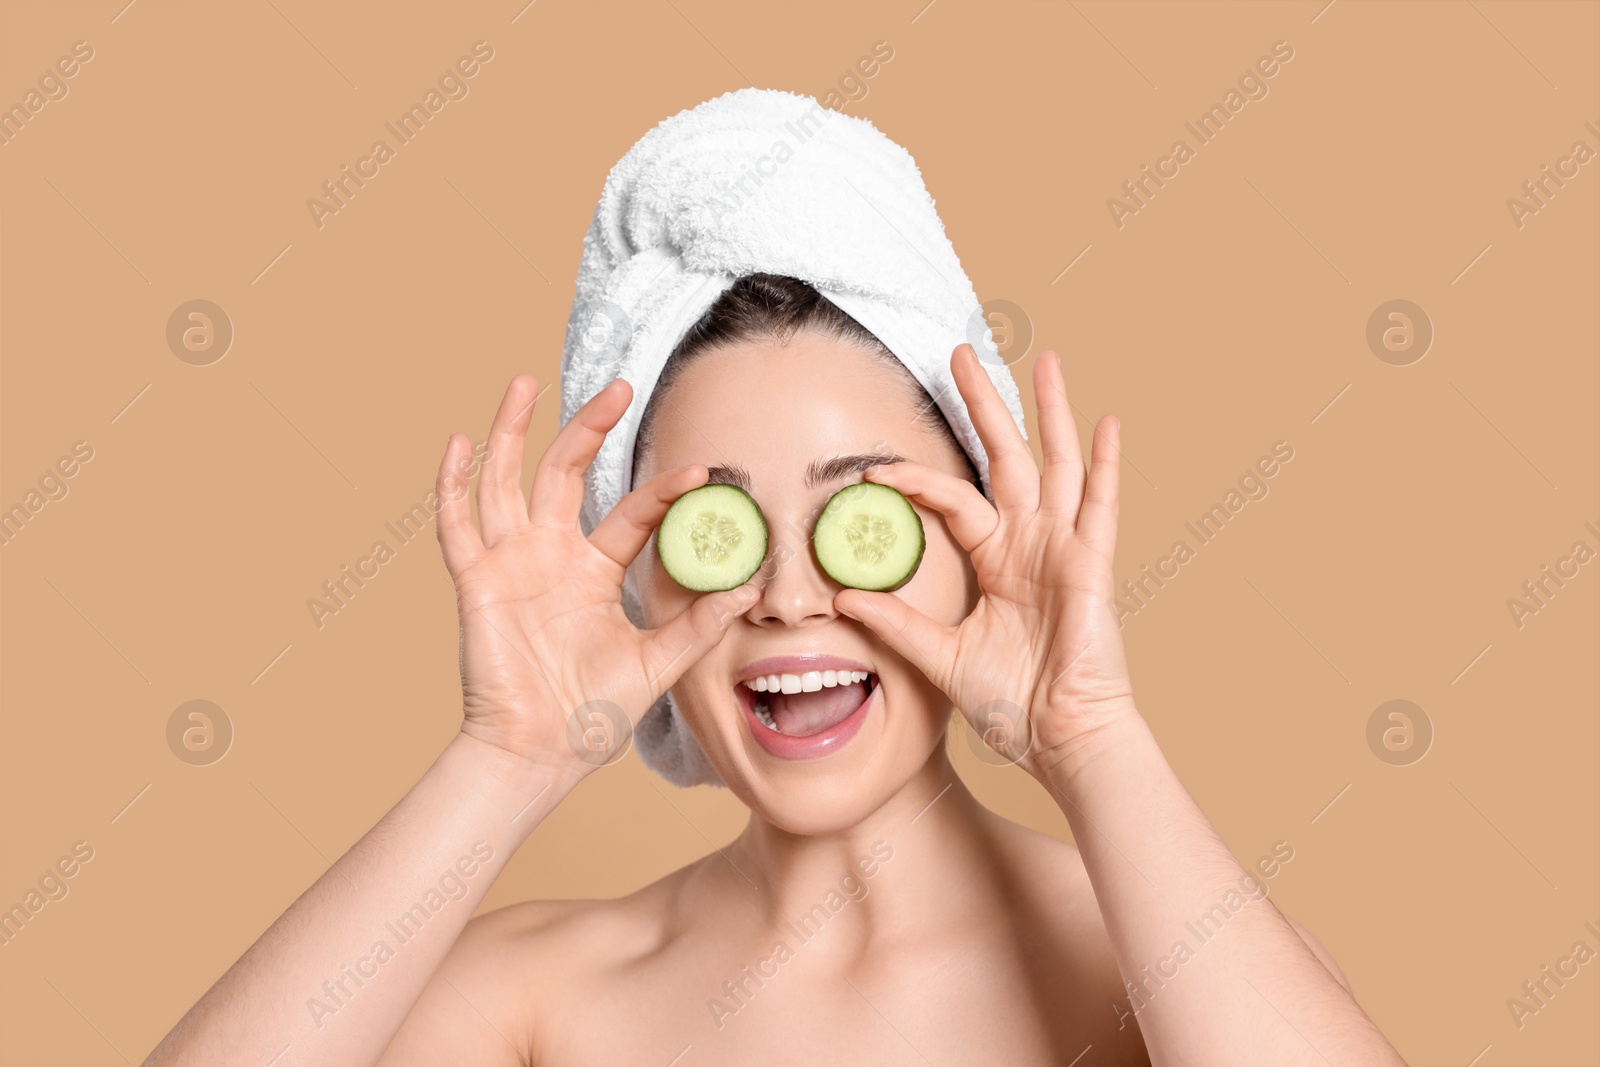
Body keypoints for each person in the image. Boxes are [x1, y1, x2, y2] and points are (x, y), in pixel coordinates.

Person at [144, 274, 1406, 1065]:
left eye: (865, 520)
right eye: (719, 529)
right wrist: (502, 762)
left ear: (977, 543)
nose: (791, 593)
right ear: (638, 575)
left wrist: (1093, 736)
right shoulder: (542, 1003)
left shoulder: (1172, 967)